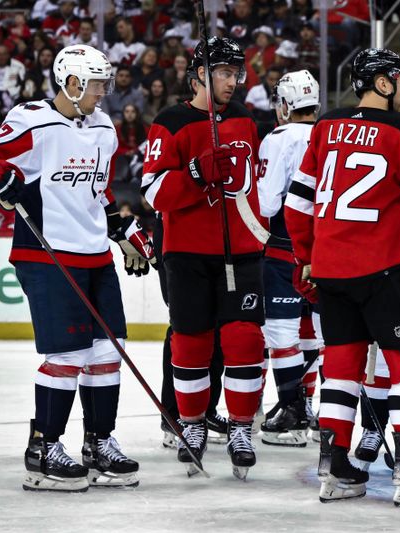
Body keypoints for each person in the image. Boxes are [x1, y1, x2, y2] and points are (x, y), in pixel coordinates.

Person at [0, 44, 156, 492]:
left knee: (109, 352)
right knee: (68, 355)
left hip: (93, 254)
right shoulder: (34, 120)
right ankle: (44, 447)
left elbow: (97, 193)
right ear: (71, 83)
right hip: (46, 252)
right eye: (95, 84)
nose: (103, 92)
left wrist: (120, 229)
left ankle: (99, 442)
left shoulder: (105, 127)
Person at [284, 47, 400, 505]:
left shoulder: (326, 125)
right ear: (381, 83)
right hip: (384, 268)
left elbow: (297, 203)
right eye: (398, 80)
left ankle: (334, 467)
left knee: (339, 364)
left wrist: (306, 256)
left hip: (331, 268)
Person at [141, 37, 265, 480]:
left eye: (237, 73)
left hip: (241, 251)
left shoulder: (246, 121)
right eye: (226, 73)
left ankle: (241, 428)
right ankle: (191, 425)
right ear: (200, 76)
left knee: (244, 341)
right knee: (192, 342)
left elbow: (256, 185)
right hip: (188, 252)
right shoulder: (170, 122)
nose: (235, 81)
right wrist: (195, 173)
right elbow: (154, 192)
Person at [257, 69, 321, 447]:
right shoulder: (330, 133)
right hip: (328, 249)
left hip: (285, 246)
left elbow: (266, 202)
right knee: (318, 333)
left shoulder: (278, 138)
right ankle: (317, 410)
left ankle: (292, 410)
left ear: (285, 104)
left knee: (281, 333)